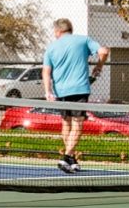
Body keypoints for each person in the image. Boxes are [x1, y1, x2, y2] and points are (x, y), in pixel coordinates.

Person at [40, 17, 109, 174]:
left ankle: (70, 159)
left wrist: (47, 91)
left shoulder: (51, 48)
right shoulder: (83, 40)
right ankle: (66, 157)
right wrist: (99, 66)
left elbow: (46, 71)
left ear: (57, 31)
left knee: (66, 124)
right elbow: (104, 51)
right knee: (77, 125)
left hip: (60, 92)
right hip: (80, 89)